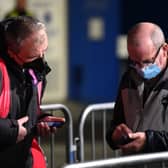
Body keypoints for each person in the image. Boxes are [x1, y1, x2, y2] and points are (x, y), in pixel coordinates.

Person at [0, 16, 62, 168]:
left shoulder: (36, 69)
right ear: (11, 51)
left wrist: (40, 119)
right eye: (33, 55)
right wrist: (11, 131)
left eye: (44, 51)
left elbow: (25, 108)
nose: (41, 58)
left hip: (22, 159)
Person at [106, 22, 168, 158]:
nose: (141, 69)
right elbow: (116, 123)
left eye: (147, 62)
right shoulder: (129, 77)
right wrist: (114, 136)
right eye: (134, 62)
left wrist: (149, 141)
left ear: (164, 50)